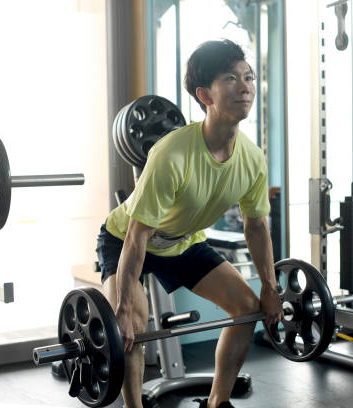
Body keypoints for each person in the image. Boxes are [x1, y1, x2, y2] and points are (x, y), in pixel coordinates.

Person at [95, 39, 283, 408]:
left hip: (182, 242)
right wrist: (119, 307)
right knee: (133, 323)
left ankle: (217, 402)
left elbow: (257, 226)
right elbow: (137, 237)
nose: (244, 87)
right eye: (230, 78)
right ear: (204, 95)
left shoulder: (252, 159)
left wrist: (271, 286)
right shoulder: (171, 154)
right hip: (126, 239)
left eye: (248, 76)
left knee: (247, 308)